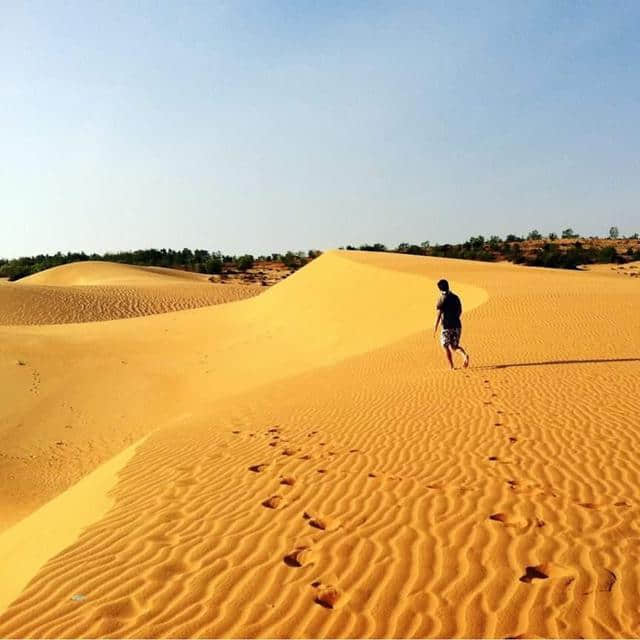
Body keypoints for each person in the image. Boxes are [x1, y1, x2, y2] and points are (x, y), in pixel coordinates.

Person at [433, 279, 469, 370]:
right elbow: (460, 310)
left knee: (445, 345)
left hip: (446, 326)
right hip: (457, 325)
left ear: (439, 289)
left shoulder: (442, 299)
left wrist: (435, 327)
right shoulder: (455, 297)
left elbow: (439, 314)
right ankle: (464, 355)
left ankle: (452, 366)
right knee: (454, 346)